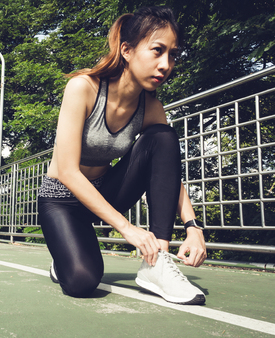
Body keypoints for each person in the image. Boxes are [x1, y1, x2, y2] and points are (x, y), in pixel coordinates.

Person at [37, 6, 207, 305]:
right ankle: (64, 260)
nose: (166, 64)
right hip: (61, 200)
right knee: (82, 281)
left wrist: (192, 226)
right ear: (127, 51)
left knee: (163, 138)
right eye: (157, 51)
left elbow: (166, 171)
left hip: (105, 192)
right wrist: (127, 229)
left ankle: (157, 262)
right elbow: (67, 170)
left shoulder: (151, 107)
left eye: (172, 55)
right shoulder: (83, 88)